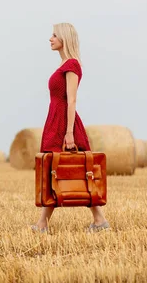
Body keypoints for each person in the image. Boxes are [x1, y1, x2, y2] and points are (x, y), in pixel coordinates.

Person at [30, 23, 110, 234]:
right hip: (55, 120)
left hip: (65, 124)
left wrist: (69, 133)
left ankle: (45, 224)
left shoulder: (72, 65)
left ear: (64, 38)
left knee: (77, 171)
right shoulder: (64, 64)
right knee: (54, 170)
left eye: (54, 35)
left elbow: (72, 100)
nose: (50, 38)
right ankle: (45, 223)